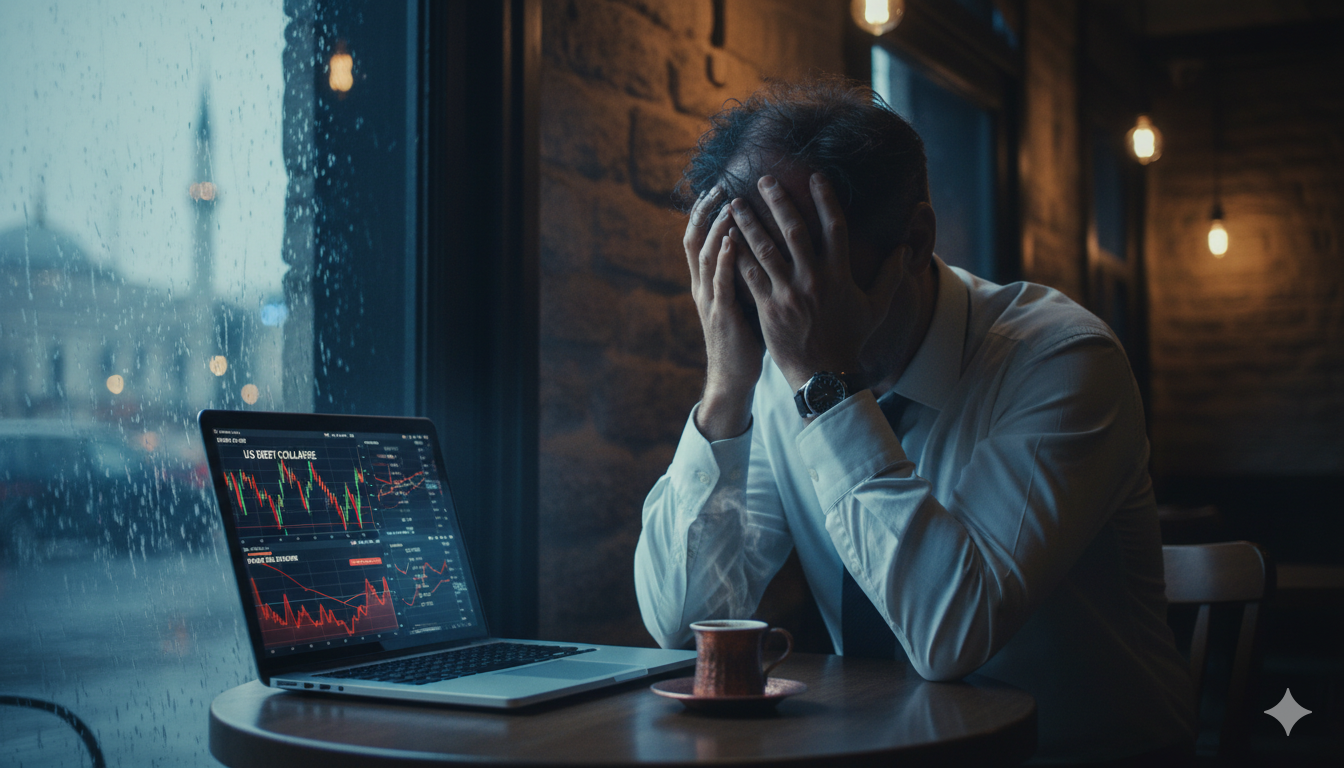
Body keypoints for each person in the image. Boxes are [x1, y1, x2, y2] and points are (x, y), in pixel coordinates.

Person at [633, 79, 1196, 765]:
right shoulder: (784, 382)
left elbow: (951, 634)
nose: (776, 296)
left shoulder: (1063, 360)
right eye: (748, 258)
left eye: (803, 256)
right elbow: (682, 624)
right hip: (876, 750)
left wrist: (828, 389)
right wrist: (725, 389)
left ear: (914, 241)